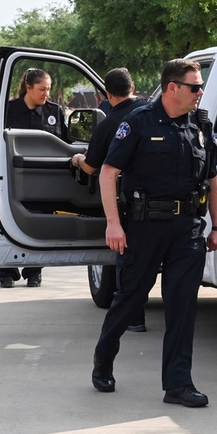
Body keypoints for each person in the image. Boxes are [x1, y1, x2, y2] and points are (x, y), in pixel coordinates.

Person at [91, 59, 217, 408]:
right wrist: (113, 223)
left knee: (182, 307)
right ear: (172, 88)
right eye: (195, 86)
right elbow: (108, 173)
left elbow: (212, 178)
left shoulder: (200, 125)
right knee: (130, 299)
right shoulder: (139, 122)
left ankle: (178, 385)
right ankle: (104, 359)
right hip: (144, 228)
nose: (200, 92)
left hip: (187, 230)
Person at [71, 67, 149, 332]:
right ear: (133, 87)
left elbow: (92, 167)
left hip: (130, 202)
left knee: (130, 261)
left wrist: (77, 159)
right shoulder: (155, 113)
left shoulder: (108, 125)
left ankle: (135, 317)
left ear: (107, 93)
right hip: (166, 201)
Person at [0, 68, 68, 287]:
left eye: (48, 89)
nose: (46, 93)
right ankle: (6, 271)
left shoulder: (54, 111)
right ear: (28, 88)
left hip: (43, 180)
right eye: (42, 89)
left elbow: (66, 142)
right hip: (11, 177)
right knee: (6, 221)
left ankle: (34, 271)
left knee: (39, 224)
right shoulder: (7, 110)